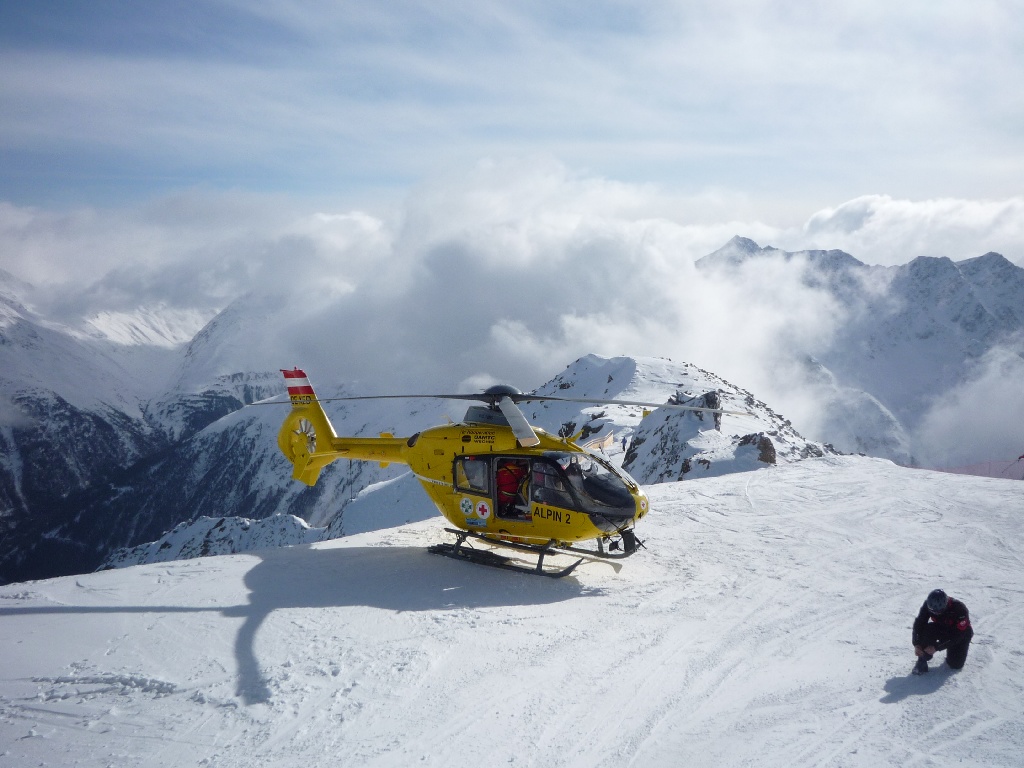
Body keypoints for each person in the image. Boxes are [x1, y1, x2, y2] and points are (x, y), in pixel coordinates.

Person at [912, 588, 973, 675]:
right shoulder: (927, 605)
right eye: (933, 612)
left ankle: (951, 653)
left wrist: (937, 647)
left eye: (939, 611)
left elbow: (958, 635)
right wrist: (917, 643)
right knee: (927, 629)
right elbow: (919, 623)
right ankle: (922, 659)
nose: (936, 614)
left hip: (960, 634)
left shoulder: (959, 609)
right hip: (942, 628)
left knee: (955, 665)